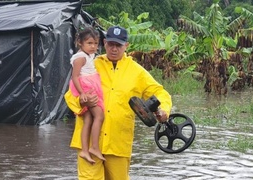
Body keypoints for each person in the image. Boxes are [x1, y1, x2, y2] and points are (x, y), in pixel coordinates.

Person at [64, 25, 172, 180]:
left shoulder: (137, 71)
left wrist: (163, 111)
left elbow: (160, 93)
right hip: (88, 144)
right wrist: (81, 101)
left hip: (118, 143)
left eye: (118, 45)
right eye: (111, 44)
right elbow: (70, 94)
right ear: (105, 43)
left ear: (126, 46)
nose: (114, 49)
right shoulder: (91, 64)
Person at [68, 26, 106, 164]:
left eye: (96, 43)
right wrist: (82, 93)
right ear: (80, 43)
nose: (93, 46)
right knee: (99, 115)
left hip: (88, 85)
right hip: (85, 87)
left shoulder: (89, 55)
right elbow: (75, 76)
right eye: (89, 43)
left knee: (88, 119)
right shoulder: (80, 58)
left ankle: (85, 150)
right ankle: (94, 147)